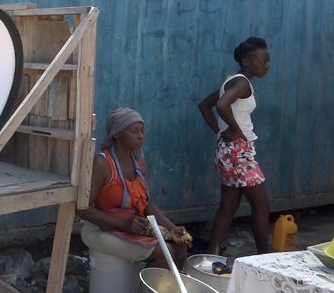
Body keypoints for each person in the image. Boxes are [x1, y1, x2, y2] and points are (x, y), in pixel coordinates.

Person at [77, 107, 190, 271]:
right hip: (100, 230)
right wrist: (124, 223)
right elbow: (82, 209)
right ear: (117, 134)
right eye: (134, 131)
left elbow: (148, 205)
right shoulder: (102, 164)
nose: (141, 135)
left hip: (132, 226)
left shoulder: (140, 163)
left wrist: (172, 228)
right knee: (164, 253)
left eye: (142, 131)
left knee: (180, 246)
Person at [198, 36, 271, 255]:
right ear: (246, 61)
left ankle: (211, 255)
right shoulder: (242, 83)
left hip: (228, 151)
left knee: (228, 206)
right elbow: (221, 105)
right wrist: (236, 130)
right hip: (238, 152)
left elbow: (205, 105)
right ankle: (264, 259)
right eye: (262, 60)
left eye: (268, 60)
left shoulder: (231, 81)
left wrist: (221, 131)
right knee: (261, 206)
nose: (267, 65)